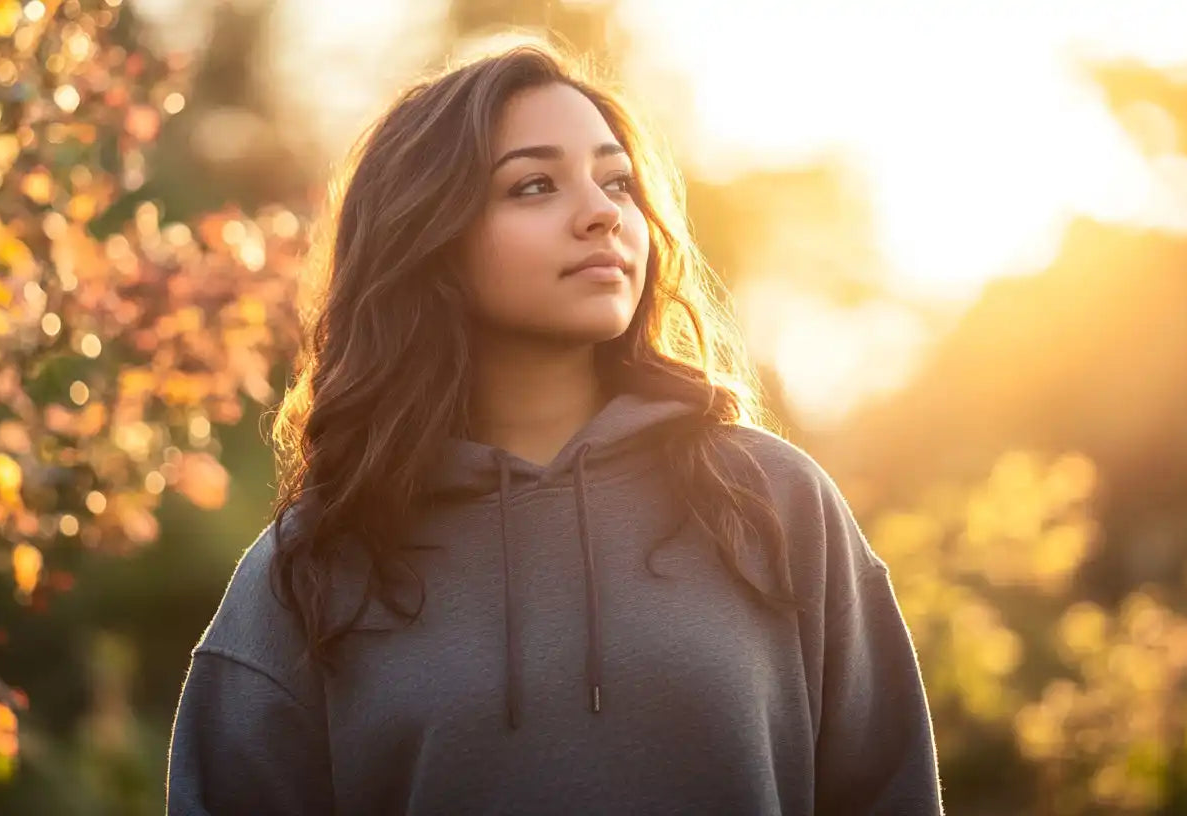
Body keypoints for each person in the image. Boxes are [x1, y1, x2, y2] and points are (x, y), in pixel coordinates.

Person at [166, 40, 942, 816]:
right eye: (534, 185)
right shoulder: (310, 570)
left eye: (618, 182)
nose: (604, 213)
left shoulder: (773, 501)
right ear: (428, 237)